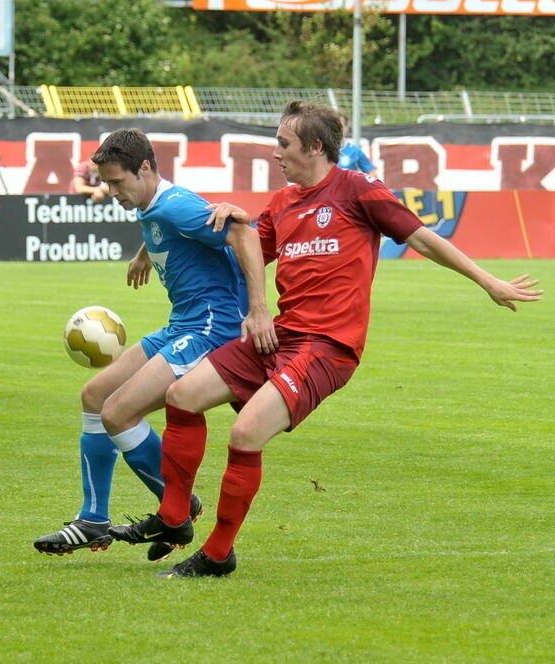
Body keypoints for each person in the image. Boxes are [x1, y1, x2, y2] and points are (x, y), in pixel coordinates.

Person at [108, 100, 542, 578]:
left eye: (283, 143)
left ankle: (217, 555)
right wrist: (194, 232)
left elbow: (421, 238)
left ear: (314, 147)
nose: (276, 153)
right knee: (182, 394)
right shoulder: (282, 203)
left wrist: (488, 281)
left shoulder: (358, 190)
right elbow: (243, 253)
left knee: (245, 433)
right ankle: (173, 517)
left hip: (328, 346)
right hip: (283, 334)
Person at [34, 128, 275, 558]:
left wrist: (258, 309)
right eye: (106, 183)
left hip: (209, 327)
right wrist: (144, 254)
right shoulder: (152, 205)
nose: (111, 192)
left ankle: (176, 510)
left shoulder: (177, 206)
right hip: (181, 323)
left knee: (118, 412)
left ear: (144, 168)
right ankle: (94, 518)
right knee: (94, 395)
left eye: (117, 182)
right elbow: (161, 224)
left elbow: (243, 232)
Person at [337, 112, 377, 176]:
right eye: (334, 126)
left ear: (347, 128)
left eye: (340, 126)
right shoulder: (321, 151)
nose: (337, 129)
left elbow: (372, 173)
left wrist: (361, 185)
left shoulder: (354, 151)